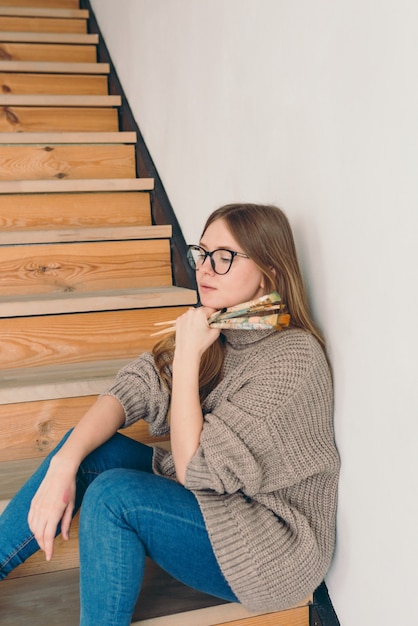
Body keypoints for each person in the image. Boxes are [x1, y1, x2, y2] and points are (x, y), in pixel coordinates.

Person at [0, 203, 340, 626]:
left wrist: (187, 359)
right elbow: (132, 388)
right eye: (203, 253)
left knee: (113, 495)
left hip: (268, 543)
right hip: (216, 502)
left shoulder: (293, 358)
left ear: (269, 271)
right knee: (90, 449)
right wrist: (63, 466)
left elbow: (191, 467)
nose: (205, 269)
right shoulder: (220, 328)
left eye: (225, 257)